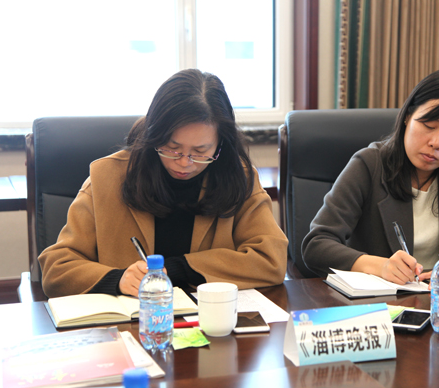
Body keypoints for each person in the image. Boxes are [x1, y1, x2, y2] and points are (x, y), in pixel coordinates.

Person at [39, 69, 288, 298]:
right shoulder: (107, 177)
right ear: (153, 136)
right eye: (172, 148)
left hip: (208, 320)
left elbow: (271, 259)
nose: (185, 162)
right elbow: (56, 269)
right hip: (132, 323)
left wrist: (181, 268)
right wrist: (118, 279)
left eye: (200, 151)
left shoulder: (238, 177)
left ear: (220, 144)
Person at [302, 68, 439, 285]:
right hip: (378, 300)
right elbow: (316, 245)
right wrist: (380, 267)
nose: (436, 143)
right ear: (408, 116)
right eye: (429, 125)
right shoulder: (369, 165)